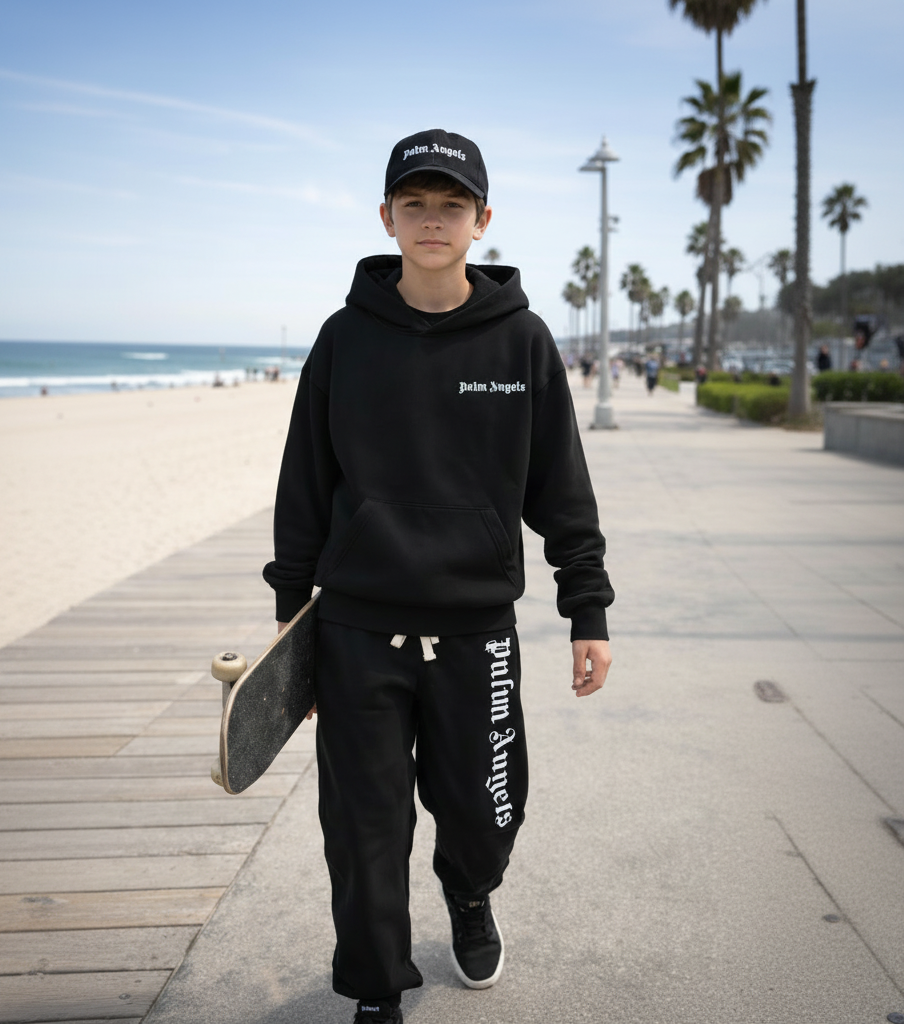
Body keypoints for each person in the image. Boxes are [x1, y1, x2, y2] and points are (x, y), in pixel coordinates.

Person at [262, 129, 614, 1024]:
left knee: (484, 812)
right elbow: (304, 483)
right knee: (364, 828)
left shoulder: (523, 342)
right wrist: (288, 618)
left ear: (482, 221)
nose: (431, 220)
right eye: (413, 204)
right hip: (355, 630)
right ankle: (377, 989)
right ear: (386, 218)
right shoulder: (344, 340)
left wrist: (588, 609)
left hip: (476, 631)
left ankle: (469, 894)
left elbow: (562, 487)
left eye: (450, 205)